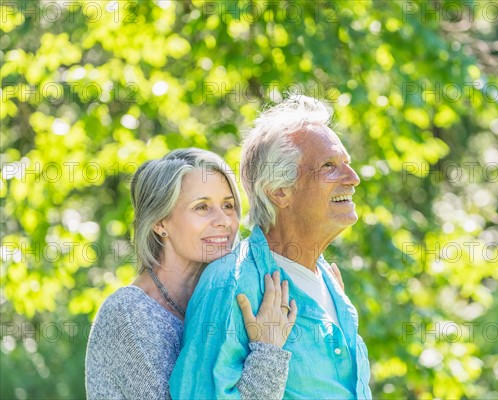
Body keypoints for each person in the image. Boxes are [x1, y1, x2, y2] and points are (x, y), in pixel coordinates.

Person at [170, 96, 372, 399]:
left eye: (348, 164)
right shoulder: (231, 283)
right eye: (330, 166)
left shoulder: (330, 283)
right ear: (279, 191)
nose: (353, 178)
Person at [85, 148, 299, 399]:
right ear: (160, 222)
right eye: (202, 207)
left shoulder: (227, 297)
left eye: (228, 205)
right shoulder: (128, 313)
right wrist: (268, 352)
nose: (224, 221)